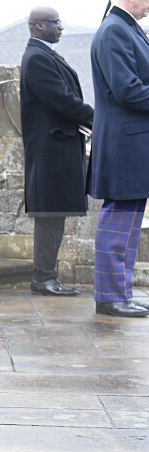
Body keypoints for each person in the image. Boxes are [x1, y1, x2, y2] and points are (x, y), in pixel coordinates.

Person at [20, 6, 94, 296]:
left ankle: (47, 277)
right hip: (51, 152)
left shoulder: (43, 55)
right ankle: (43, 279)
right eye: (55, 23)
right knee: (49, 216)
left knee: (54, 215)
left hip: (57, 148)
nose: (61, 27)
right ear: (39, 26)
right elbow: (61, 100)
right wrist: (97, 118)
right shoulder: (37, 58)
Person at [88, 0, 149, 317]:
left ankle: (120, 294)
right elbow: (128, 91)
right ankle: (110, 297)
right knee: (118, 221)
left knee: (128, 225)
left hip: (131, 143)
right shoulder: (114, 30)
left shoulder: (125, 28)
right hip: (125, 144)